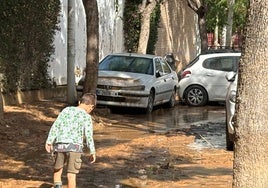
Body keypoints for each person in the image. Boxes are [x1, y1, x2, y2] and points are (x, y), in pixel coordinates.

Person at [45, 93, 97, 188]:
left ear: (79, 102)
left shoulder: (66, 110)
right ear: (91, 106)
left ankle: (57, 186)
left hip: (60, 145)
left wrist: (49, 141)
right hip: (75, 148)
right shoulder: (87, 117)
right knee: (71, 175)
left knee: (57, 170)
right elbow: (89, 135)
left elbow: (56, 125)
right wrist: (92, 151)